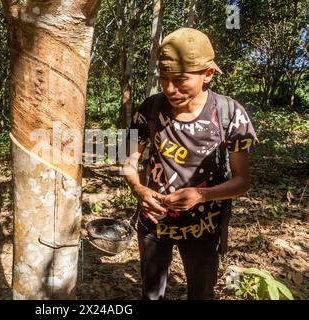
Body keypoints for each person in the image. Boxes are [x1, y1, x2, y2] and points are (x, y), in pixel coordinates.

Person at [122, 27, 259, 300]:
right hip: (154, 225)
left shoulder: (230, 114)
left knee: (201, 294)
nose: (170, 89)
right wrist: (138, 189)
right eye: (164, 79)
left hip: (204, 229)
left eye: (181, 80)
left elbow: (242, 181)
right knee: (151, 295)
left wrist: (201, 195)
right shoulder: (149, 109)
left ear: (207, 74)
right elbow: (127, 159)